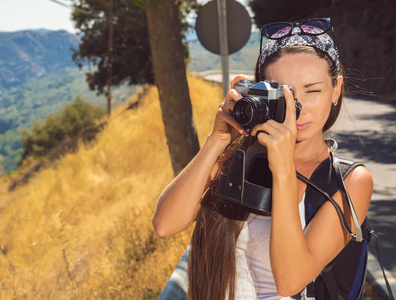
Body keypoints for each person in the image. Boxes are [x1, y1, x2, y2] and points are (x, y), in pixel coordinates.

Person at [153, 18, 373, 300]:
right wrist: (218, 140)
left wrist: (282, 171)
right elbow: (165, 224)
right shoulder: (239, 158)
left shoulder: (348, 182)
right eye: (285, 94)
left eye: (313, 90)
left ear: (336, 89)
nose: (298, 109)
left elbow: (290, 281)